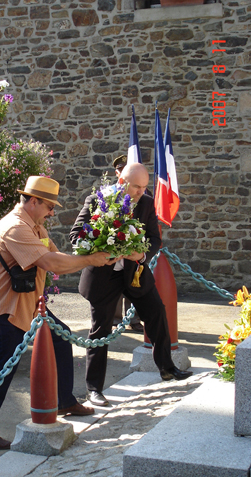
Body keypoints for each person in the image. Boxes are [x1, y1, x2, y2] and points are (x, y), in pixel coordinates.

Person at [0, 176, 117, 450]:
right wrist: (92, 260)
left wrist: (98, 252)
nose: (52, 212)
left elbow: (58, 257)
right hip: (4, 307)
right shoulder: (15, 228)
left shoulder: (35, 226)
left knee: (61, 339)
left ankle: (64, 401)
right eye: (49, 206)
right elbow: (51, 263)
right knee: (3, 368)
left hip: (29, 304)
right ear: (33, 201)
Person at [70, 162, 192, 407]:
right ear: (122, 182)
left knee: (157, 313)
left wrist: (142, 254)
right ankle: (94, 389)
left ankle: (167, 368)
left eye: (144, 187)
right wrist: (100, 246)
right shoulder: (96, 200)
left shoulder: (146, 203)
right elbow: (75, 235)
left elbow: (154, 238)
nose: (141, 192)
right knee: (100, 331)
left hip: (135, 273)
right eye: (137, 187)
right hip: (103, 276)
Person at [112, 155, 144, 333]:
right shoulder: (109, 195)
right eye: (120, 170)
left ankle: (134, 319)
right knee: (115, 286)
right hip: (115, 248)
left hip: (134, 251)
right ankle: (115, 319)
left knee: (134, 282)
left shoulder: (142, 196)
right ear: (118, 173)